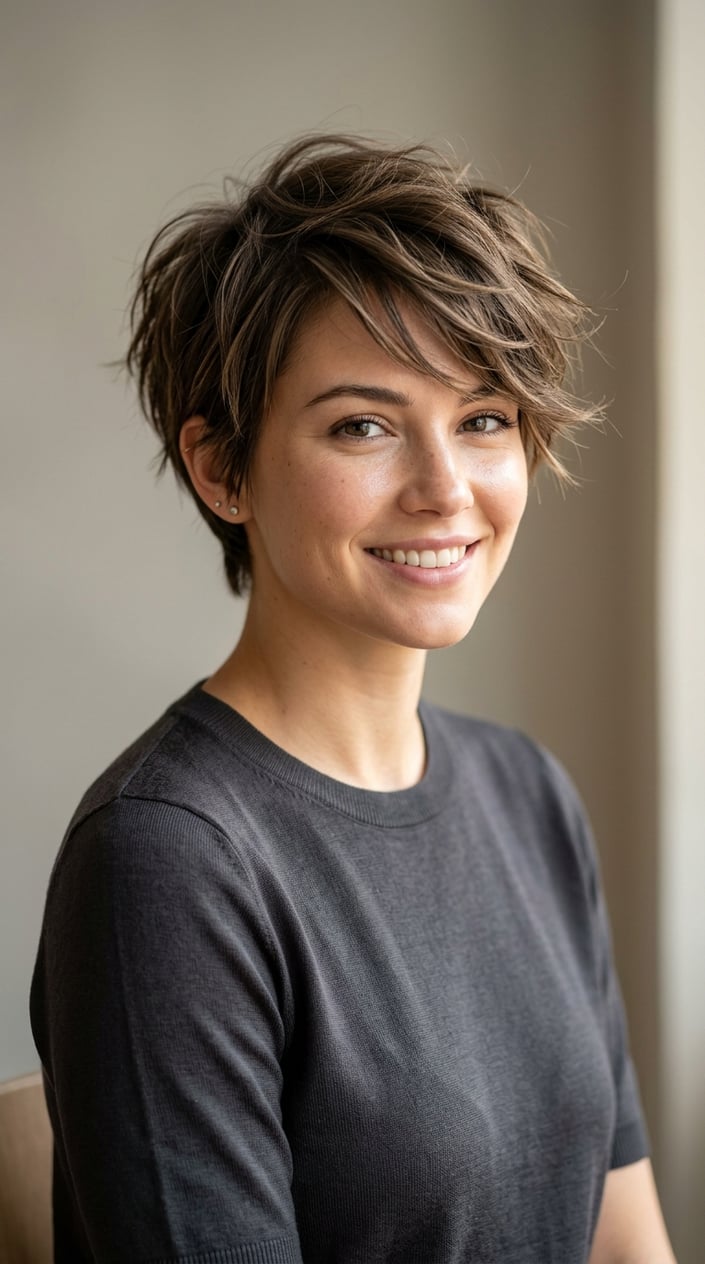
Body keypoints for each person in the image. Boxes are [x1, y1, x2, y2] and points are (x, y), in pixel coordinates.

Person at [30, 135, 675, 1263]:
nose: (444, 489)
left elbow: (626, 1239)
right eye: (363, 426)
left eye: (483, 418)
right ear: (222, 469)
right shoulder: (166, 858)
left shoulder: (527, 791)